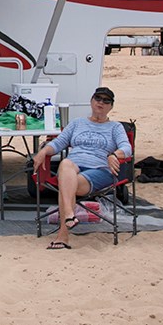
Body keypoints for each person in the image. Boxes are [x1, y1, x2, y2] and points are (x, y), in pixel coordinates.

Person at [30, 86, 131, 250]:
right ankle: (69, 215)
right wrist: (43, 152)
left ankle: (63, 234)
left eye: (106, 101)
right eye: (98, 98)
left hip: (99, 170)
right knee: (65, 164)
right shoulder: (77, 123)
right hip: (73, 167)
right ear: (91, 101)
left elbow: (127, 148)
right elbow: (58, 143)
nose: (101, 103)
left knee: (66, 183)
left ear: (111, 106)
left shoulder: (115, 127)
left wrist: (114, 154)